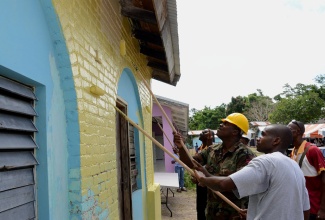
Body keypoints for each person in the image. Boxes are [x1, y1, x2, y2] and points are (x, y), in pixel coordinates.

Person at [193, 124, 310, 220]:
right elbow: (305, 209)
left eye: (263, 135)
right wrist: (254, 212)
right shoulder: (294, 166)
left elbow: (223, 184)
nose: (258, 138)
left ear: (276, 141)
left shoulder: (265, 161)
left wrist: (202, 178)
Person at [173, 113, 256, 220]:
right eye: (222, 122)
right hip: (212, 211)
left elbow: (237, 185)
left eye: (226, 124)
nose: (221, 125)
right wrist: (181, 148)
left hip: (233, 214)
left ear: (235, 132)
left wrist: (206, 177)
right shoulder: (212, 149)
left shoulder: (245, 154)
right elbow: (191, 163)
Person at [288, 120, 325, 220]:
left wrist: (322, 209)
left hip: (314, 208)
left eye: (290, 130)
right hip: (300, 207)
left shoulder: (312, 150)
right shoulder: (293, 152)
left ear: (298, 132)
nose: (287, 132)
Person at [195, 129, 215, 220]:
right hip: (199, 181)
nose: (201, 133)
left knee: (205, 206)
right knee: (200, 207)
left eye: (204, 132)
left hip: (208, 183)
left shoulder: (213, 150)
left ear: (210, 136)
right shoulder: (201, 148)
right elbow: (194, 162)